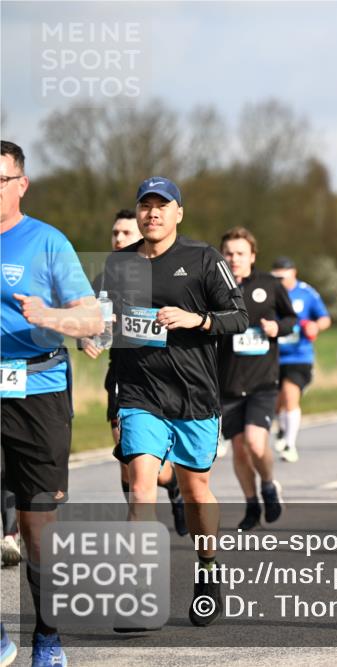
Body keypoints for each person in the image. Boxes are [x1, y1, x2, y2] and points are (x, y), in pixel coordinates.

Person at [102, 176, 248, 628]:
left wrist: (196, 319)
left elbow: (238, 317)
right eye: (145, 205)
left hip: (194, 395)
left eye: (162, 206)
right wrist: (97, 330)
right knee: (142, 485)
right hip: (140, 392)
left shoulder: (202, 259)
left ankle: (207, 566)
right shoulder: (118, 262)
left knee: (194, 490)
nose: (152, 213)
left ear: (178, 213)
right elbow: (103, 312)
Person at [1, 140, 102, 666]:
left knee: (38, 526)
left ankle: (47, 635)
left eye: (0, 179)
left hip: (35, 393)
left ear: (21, 184)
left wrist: (49, 317)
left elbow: (92, 320)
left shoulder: (46, 242)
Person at [79, 209, 187, 536]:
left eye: (125, 234)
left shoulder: (162, 274)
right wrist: (86, 336)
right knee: (129, 462)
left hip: (168, 377)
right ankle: (138, 524)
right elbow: (90, 321)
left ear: (140, 236)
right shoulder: (105, 277)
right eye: (114, 234)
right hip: (125, 379)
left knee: (157, 471)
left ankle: (175, 484)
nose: (118, 239)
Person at [218, 228, 297, 529]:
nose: (234, 259)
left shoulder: (269, 285)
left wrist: (278, 328)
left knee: (255, 442)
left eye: (240, 253)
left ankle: (268, 484)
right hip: (227, 382)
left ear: (252, 256)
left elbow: (291, 319)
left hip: (263, 381)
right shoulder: (213, 286)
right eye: (228, 253)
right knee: (239, 449)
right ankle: (251, 504)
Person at [272, 257, 331, 463]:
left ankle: (289, 445)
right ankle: (281, 428)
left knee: (290, 395)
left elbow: (325, 318)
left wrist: (316, 326)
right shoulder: (268, 292)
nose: (279, 280)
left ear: (293, 273)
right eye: (275, 277)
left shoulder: (307, 293)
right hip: (272, 356)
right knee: (276, 403)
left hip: (299, 356)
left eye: (283, 277)